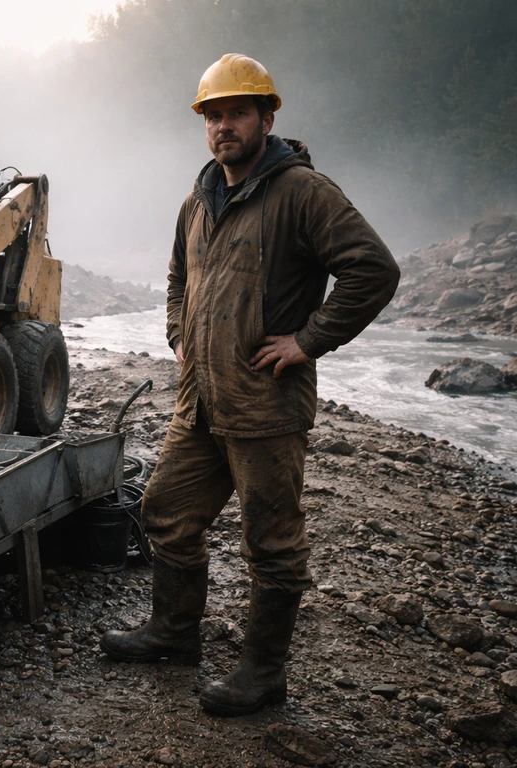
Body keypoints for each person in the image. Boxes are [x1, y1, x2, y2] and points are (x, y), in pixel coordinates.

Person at [100, 53, 400, 717]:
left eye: (238, 111)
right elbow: (179, 276)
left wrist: (307, 340)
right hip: (200, 404)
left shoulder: (302, 193)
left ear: (268, 116)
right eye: (213, 114)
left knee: (273, 547)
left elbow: (373, 271)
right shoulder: (198, 197)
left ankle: (263, 675)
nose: (224, 125)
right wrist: (181, 335)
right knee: (166, 514)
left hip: (267, 409)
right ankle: (173, 636)